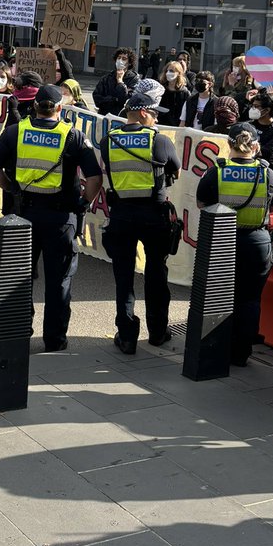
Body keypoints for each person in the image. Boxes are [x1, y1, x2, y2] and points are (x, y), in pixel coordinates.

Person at [0, 84, 102, 350]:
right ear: (60, 108)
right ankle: (54, 340)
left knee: (20, 277)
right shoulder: (72, 136)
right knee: (58, 280)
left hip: (23, 215)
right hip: (61, 218)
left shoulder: (16, 132)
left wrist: (12, 188)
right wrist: (84, 203)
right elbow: (95, 178)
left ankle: (18, 330)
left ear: (35, 107)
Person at [100, 91, 181, 354]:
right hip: (154, 215)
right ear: (144, 113)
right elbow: (176, 171)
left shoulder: (108, 140)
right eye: (155, 113)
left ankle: (126, 338)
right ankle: (158, 332)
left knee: (123, 278)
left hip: (121, 213)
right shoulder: (159, 140)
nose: (157, 119)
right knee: (156, 274)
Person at [196, 122, 273, 365]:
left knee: (220, 295)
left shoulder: (216, 171)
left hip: (223, 240)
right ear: (255, 146)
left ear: (229, 144)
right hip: (257, 243)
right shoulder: (267, 172)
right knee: (250, 299)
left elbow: (203, 205)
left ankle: (216, 346)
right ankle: (241, 353)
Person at [93, 48, 138, 116]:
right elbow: (97, 98)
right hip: (105, 115)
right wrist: (114, 99)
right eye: (119, 58)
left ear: (129, 63)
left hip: (121, 118)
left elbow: (127, 100)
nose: (120, 61)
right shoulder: (106, 78)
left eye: (124, 59)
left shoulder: (134, 79)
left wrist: (120, 82)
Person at [246, 89, 273, 164]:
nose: (252, 109)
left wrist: (248, 148)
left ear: (267, 110)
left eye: (256, 106)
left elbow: (270, 152)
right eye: (252, 106)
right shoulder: (249, 125)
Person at [157, 59, 189, 127]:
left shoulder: (184, 92)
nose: (168, 73)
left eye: (171, 71)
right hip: (160, 124)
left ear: (178, 73)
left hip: (177, 126)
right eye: (167, 71)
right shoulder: (160, 89)